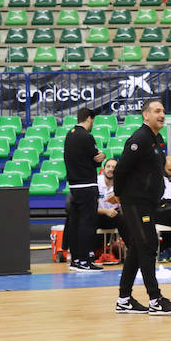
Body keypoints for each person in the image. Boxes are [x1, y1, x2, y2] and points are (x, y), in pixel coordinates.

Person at [113, 98, 171, 315]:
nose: (161, 115)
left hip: (148, 202)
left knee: (137, 246)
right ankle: (155, 299)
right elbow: (121, 169)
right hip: (135, 201)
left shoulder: (157, 139)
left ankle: (124, 299)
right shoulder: (139, 139)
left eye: (163, 111)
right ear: (146, 115)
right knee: (148, 244)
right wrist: (118, 195)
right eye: (156, 111)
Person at [63, 107, 106, 272]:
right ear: (89, 118)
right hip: (87, 185)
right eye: (93, 121)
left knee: (75, 224)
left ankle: (75, 259)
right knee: (87, 224)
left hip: (73, 187)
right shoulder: (86, 136)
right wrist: (100, 157)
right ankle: (84, 260)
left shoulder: (70, 134)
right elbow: (95, 158)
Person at [95, 158, 125, 264]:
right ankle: (90, 254)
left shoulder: (122, 184)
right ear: (103, 169)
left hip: (114, 216)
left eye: (114, 167)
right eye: (108, 166)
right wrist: (105, 211)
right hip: (97, 215)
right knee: (88, 217)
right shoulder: (96, 182)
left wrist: (118, 200)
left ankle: (130, 252)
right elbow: (89, 207)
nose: (110, 169)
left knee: (124, 218)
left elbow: (125, 208)